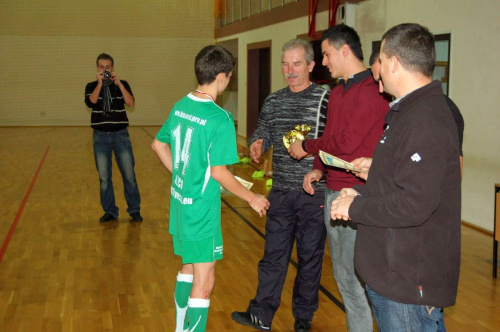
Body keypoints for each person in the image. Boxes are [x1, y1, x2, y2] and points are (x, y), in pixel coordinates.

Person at [330, 23, 462, 331]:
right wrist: (361, 193)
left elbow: (415, 204)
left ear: (393, 63)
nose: (377, 70)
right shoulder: (407, 113)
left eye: (381, 60)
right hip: (392, 278)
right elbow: (404, 181)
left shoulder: (426, 119)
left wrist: (354, 208)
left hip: (407, 285)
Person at [151, 45, 270, 332]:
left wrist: (182, 175)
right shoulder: (220, 119)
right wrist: (252, 196)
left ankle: (180, 327)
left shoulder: (181, 105)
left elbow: (158, 144)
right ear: (222, 76)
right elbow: (219, 173)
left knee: (189, 268)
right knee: (204, 284)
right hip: (201, 212)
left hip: (180, 205)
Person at [287, 24, 390, 332]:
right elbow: (330, 136)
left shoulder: (371, 91)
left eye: (327, 54)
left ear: (345, 50)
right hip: (333, 192)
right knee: (346, 278)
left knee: (353, 282)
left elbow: (346, 143)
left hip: (357, 196)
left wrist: (306, 147)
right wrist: (318, 166)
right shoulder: (337, 92)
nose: (326, 62)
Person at [231, 39, 329, 332]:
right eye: (285, 64)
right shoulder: (273, 100)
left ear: (311, 66)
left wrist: (316, 161)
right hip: (281, 194)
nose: (290, 70)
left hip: (314, 194)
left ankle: (303, 315)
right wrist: (257, 143)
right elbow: (263, 130)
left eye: (296, 64)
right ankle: (261, 313)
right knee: (273, 255)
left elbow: (334, 143)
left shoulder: (325, 101)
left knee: (310, 258)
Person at [84, 53, 143, 222]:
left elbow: (131, 103)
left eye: (108, 67)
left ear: (113, 68)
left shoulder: (122, 84)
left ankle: (134, 210)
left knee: (129, 174)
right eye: (102, 67)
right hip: (100, 138)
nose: (105, 70)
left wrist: (119, 84)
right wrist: (100, 84)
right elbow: (91, 102)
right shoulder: (90, 86)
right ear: (97, 69)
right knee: (104, 178)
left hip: (120, 136)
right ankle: (110, 211)